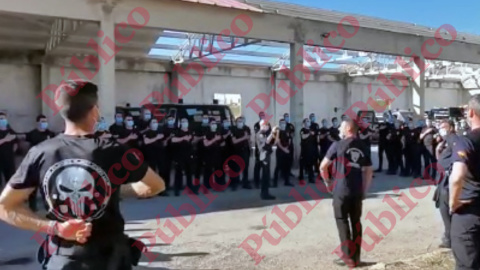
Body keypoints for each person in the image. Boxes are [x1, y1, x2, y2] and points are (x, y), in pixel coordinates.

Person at [0, 80, 165, 270]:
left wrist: (55, 228)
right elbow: (156, 185)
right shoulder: (115, 150)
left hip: (63, 259)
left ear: (60, 111)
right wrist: (113, 190)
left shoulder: (40, 153)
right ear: (95, 110)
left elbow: (5, 207)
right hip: (110, 259)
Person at [320, 119, 373, 267]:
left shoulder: (337, 145)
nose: (339, 130)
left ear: (348, 129)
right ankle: (356, 257)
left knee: (342, 221)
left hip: (340, 190)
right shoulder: (363, 146)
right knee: (356, 223)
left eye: (341, 127)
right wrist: (365, 190)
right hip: (357, 191)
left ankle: (347, 256)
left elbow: (323, 166)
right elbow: (368, 170)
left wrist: (328, 182)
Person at [449, 95, 480, 270]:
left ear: (470, 112)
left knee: (466, 264)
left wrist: (454, 203)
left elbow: (457, 177)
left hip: (469, 213)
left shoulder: (466, 140)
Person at [25, 115, 56, 212]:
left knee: (46, 188)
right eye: (42, 121)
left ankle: (49, 208)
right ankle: (32, 207)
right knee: (33, 187)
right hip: (34, 164)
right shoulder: (32, 134)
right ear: (38, 122)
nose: (44, 123)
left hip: (47, 164)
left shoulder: (51, 134)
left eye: (45, 121)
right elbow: (26, 147)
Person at [434, 120, 457, 249]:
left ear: (451, 128)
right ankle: (448, 237)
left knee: (446, 210)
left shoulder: (453, 139)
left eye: (444, 127)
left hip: (447, 181)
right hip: (442, 179)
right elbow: (441, 159)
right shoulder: (444, 141)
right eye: (440, 127)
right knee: (443, 209)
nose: (441, 130)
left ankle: (449, 238)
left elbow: (457, 158)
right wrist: (438, 150)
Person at [142, 118, 168, 196]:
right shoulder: (147, 133)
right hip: (151, 155)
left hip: (160, 155)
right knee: (152, 173)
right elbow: (146, 142)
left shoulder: (161, 132)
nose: (155, 123)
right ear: (150, 124)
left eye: (156, 122)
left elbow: (164, 142)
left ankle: (162, 190)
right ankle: (151, 190)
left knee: (162, 172)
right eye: (153, 122)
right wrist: (157, 138)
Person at [171, 118, 194, 196]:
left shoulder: (190, 131)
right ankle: (177, 189)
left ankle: (190, 188)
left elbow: (193, 140)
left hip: (189, 154)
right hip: (179, 155)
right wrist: (183, 138)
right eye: (183, 122)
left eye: (186, 121)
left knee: (189, 172)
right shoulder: (177, 131)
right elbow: (173, 140)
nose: (184, 123)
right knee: (178, 172)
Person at [256, 120, 276, 200]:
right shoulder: (260, 134)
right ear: (262, 125)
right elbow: (266, 142)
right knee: (265, 175)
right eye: (266, 125)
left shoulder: (264, 133)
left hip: (266, 154)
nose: (267, 126)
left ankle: (266, 192)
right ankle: (264, 194)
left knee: (267, 175)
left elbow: (272, 142)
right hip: (263, 155)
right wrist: (272, 133)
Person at [231, 117, 252, 189]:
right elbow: (234, 141)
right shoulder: (233, 129)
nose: (240, 123)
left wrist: (250, 148)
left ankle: (245, 183)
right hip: (236, 150)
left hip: (245, 150)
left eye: (242, 121)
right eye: (239, 121)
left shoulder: (247, 128)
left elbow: (249, 139)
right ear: (236, 122)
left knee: (245, 168)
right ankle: (234, 184)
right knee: (236, 168)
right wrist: (244, 137)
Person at [203, 119, 223, 190]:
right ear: (209, 125)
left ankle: (219, 184)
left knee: (218, 169)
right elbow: (206, 144)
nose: (214, 125)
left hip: (217, 154)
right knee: (208, 170)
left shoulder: (218, 132)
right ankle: (207, 185)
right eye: (212, 123)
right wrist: (214, 139)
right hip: (209, 154)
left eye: (215, 123)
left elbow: (221, 142)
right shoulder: (206, 133)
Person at [0, 112, 18, 190]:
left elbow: (15, 143)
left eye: (3, 118)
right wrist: (5, 139)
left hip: (9, 160)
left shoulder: (10, 131)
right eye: (0, 119)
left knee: (10, 180)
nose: (2, 120)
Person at [273, 119, 293, 187]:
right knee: (278, 167)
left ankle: (287, 181)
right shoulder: (278, 132)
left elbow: (290, 140)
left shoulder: (287, 131)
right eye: (281, 123)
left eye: (284, 123)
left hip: (287, 151)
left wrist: (287, 147)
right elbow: (277, 142)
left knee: (287, 167)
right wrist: (284, 149)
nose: (283, 124)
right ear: (279, 124)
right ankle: (274, 183)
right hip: (280, 151)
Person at [194, 114, 210, 188]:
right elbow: (194, 139)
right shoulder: (198, 127)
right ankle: (196, 185)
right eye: (204, 118)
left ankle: (207, 185)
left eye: (207, 118)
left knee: (207, 168)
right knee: (198, 168)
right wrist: (201, 137)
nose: (205, 119)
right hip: (199, 150)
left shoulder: (210, 127)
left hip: (208, 151)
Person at [299, 118, 317, 184]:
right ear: (304, 123)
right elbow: (303, 137)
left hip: (311, 150)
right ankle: (301, 178)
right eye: (307, 121)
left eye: (309, 121)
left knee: (310, 165)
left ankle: (311, 178)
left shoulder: (312, 130)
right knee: (302, 164)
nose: (308, 122)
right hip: (304, 150)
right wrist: (309, 133)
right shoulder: (302, 130)